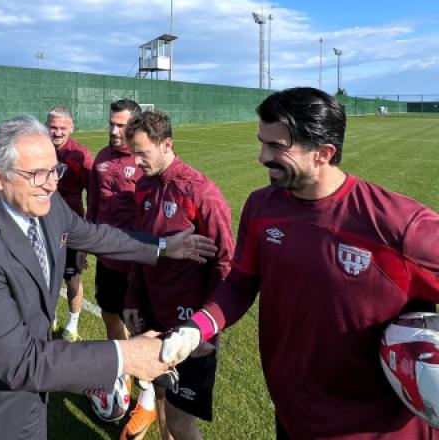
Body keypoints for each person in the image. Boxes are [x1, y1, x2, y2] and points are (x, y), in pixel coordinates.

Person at [0, 115, 219, 440]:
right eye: (36, 174)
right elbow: (22, 362)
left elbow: (94, 235)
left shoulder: (44, 202)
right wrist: (127, 356)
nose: (50, 184)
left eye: (54, 170)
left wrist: (162, 247)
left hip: (27, 401)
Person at [162, 87, 439, 439]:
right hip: (292, 416)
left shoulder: (399, 225)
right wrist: (197, 328)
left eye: (277, 147)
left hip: (378, 430)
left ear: (324, 153)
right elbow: (241, 283)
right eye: (262, 142)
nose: (262, 157)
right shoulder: (261, 207)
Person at [122, 110, 234, 440]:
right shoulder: (144, 186)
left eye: (142, 153)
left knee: (181, 422)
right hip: (152, 314)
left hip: (190, 325)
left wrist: (206, 329)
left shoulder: (201, 192)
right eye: (133, 153)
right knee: (160, 394)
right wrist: (132, 299)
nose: (136, 161)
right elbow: (140, 246)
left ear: (166, 144)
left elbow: (225, 264)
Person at [84, 99, 142, 418]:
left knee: (140, 326)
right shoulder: (101, 159)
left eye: (122, 125)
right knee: (110, 316)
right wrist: (85, 244)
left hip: (136, 264)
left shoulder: (144, 159)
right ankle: (122, 375)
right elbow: (93, 204)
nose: (114, 130)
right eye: (112, 123)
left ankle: (147, 393)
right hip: (107, 260)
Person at [46, 105, 93, 342]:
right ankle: (51, 317)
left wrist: (86, 238)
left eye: (62, 128)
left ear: (71, 128)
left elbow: (93, 195)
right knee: (44, 274)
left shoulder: (81, 156)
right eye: (53, 127)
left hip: (71, 227)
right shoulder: (40, 149)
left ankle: (72, 325)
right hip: (43, 224)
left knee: (72, 277)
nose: (57, 132)